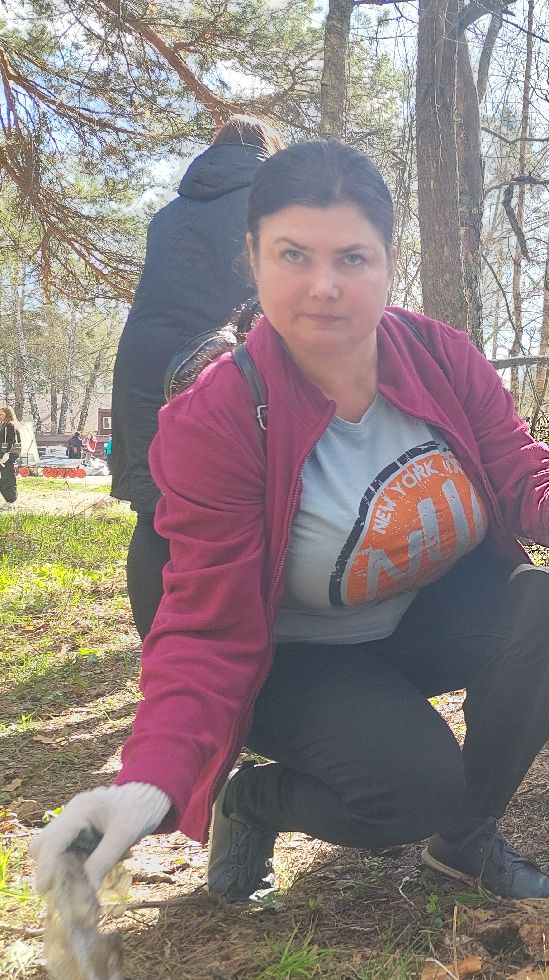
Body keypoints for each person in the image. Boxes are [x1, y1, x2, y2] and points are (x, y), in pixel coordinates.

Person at [31, 140, 549, 907]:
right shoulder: (219, 415)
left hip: (411, 620)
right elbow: (205, 629)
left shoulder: (440, 355)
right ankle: (253, 802)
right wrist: (150, 781)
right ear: (253, 259)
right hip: (293, 661)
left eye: (352, 258)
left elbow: (514, 465)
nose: (324, 287)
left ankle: (465, 838)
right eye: (294, 255)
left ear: (389, 264)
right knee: (412, 788)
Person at [111, 115, 287, 640]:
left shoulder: (169, 214)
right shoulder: (271, 201)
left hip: (143, 361)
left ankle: (157, 649)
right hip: (215, 361)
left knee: (154, 513)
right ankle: (243, 641)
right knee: (243, 509)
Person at [0, 406, 20, 508]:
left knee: (8, 479)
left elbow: (14, 442)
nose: (0, 416)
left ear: (7, 414)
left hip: (7, 457)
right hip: (1, 456)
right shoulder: (2, 426)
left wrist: (8, 454)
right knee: (4, 479)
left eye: (1, 414)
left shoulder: (11, 426)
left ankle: (11, 501)